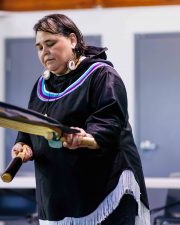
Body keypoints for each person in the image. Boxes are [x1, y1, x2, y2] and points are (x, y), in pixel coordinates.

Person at [11, 14, 150, 225]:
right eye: (39, 47)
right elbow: (31, 125)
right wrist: (23, 144)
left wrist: (87, 138)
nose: (44, 52)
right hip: (56, 192)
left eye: (50, 43)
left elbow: (109, 123)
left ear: (73, 40)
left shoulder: (102, 75)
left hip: (103, 188)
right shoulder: (41, 85)